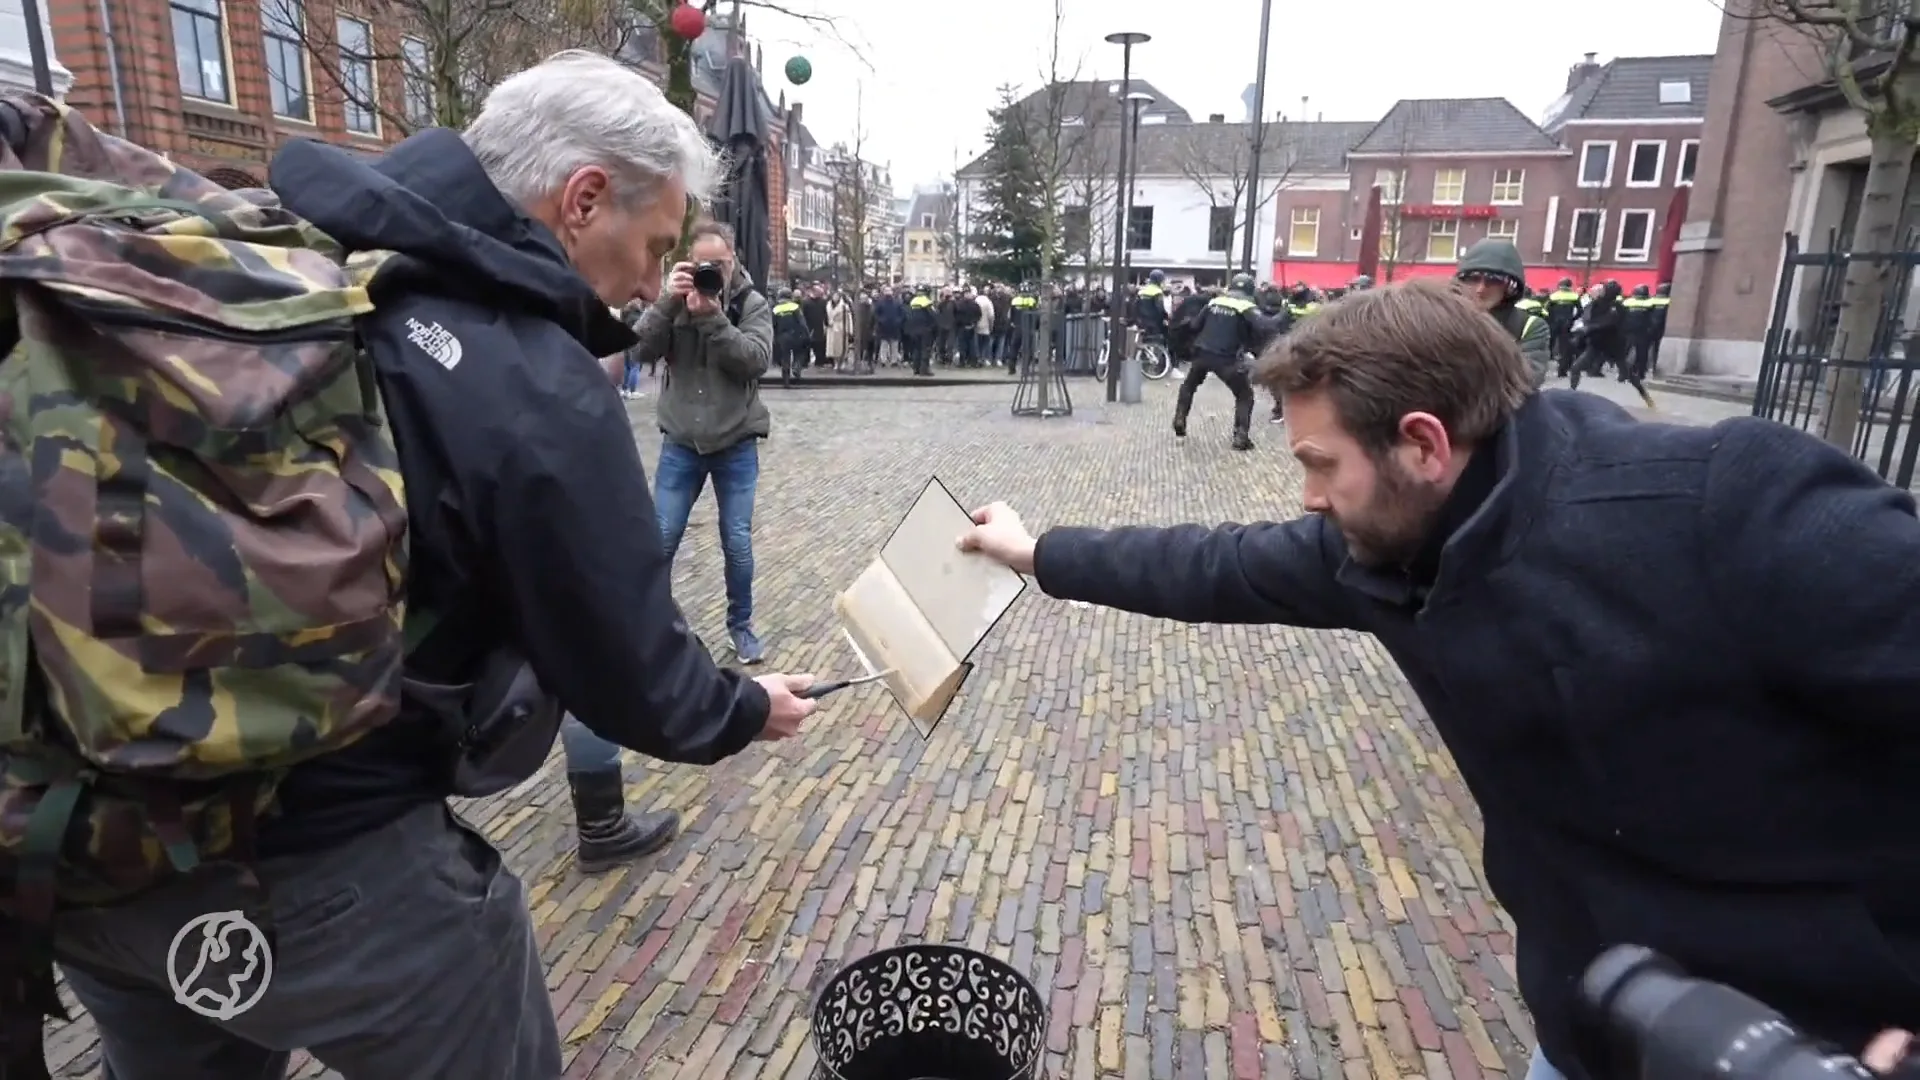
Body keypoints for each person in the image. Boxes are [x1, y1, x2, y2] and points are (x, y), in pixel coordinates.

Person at [44, 51, 819, 1080]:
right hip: (314, 852)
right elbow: (631, 672)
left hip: (79, 833)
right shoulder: (534, 380)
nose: (648, 281)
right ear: (584, 199)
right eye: (652, 242)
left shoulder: (280, 245)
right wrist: (740, 707)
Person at [957, 277, 1920, 1080]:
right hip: (1590, 1030)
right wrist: (1038, 553)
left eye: (1321, 464)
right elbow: (1215, 563)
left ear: (1422, 443)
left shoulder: (1733, 505)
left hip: (1822, 1044)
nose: (1308, 498)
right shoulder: (1385, 544)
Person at [632, 222, 775, 664]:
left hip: (734, 440)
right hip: (681, 440)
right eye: (703, 264)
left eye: (721, 264)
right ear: (688, 264)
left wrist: (712, 316)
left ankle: (741, 626)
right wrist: (665, 302)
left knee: (736, 540)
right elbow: (639, 350)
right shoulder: (675, 301)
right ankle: (643, 625)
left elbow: (755, 361)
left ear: (734, 262)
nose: (714, 271)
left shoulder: (752, 304)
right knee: (661, 537)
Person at [1172, 272, 1277, 451]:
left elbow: (1195, 325)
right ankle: (1240, 437)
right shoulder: (1246, 306)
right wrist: (1282, 315)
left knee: (1189, 386)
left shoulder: (1214, 302)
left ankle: (1180, 418)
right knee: (1245, 395)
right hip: (1227, 360)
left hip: (1202, 354)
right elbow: (1265, 326)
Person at [1455, 238, 1549, 388]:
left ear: (1509, 286)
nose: (1481, 288)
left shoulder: (1529, 326)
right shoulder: (1444, 319)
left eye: (1493, 280)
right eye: (1472, 279)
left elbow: (1527, 378)